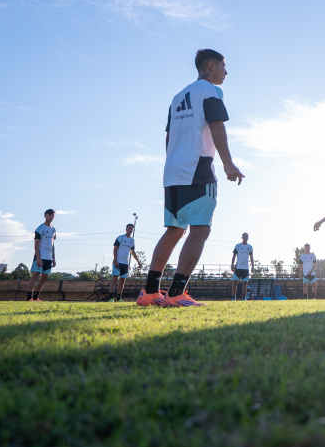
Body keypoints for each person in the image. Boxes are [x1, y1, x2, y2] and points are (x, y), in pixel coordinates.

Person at [137, 49, 246, 308]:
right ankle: (175, 294)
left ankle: (150, 292)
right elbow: (217, 124)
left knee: (174, 230)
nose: (226, 71)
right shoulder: (210, 91)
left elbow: (168, 136)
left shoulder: (177, 97)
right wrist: (228, 163)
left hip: (172, 172)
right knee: (200, 229)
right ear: (211, 65)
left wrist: (173, 164)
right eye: (223, 65)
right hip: (198, 170)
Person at [25, 209, 56, 301]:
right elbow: (36, 245)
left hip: (49, 257)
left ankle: (36, 297)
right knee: (35, 275)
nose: (51, 217)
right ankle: (29, 298)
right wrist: (38, 258)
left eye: (53, 215)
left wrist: (53, 258)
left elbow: (53, 245)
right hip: (40, 256)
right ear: (45, 215)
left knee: (44, 276)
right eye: (49, 215)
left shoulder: (54, 230)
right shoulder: (40, 228)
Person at [108, 224, 141, 302]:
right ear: (126, 229)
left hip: (125, 263)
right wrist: (116, 260)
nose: (130, 230)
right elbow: (115, 249)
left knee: (122, 281)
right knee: (115, 279)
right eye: (129, 228)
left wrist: (138, 261)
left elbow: (132, 252)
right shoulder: (120, 238)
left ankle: (119, 298)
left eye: (132, 229)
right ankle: (111, 298)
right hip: (118, 262)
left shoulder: (132, 240)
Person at [230, 233, 254, 301]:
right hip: (238, 267)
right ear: (242, 237)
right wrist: (232, 265)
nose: (246, 237)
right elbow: (234, 256)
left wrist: (252, 266)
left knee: (245, 283)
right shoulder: (238, 246)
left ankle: (244, 298)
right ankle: (233, 298)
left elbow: (251, 257)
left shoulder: (250, 247)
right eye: (244, 236)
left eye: (247, 236)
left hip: (245, 268)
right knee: (235, 283)